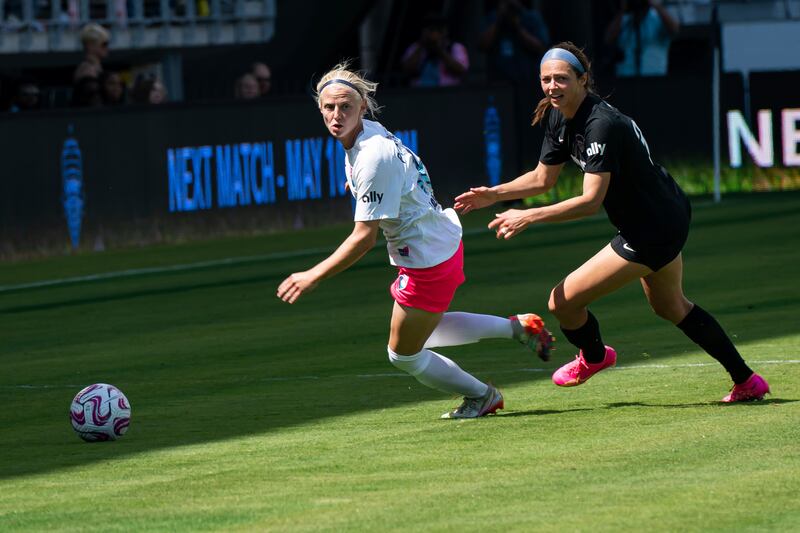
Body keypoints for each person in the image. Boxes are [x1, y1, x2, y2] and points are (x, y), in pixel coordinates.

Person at [454, 42, 770, 403]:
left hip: (652, 226)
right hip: (662, 215)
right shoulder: (559, 114)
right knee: (671, 307)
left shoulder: (601, 125)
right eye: (546, 79)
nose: (552, 86)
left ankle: (595, 356)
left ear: (583, 80)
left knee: (562, 303)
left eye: (561, 78)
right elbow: (543, 179)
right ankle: (747, 381)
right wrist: (493, 194)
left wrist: (529, 214)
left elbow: (590, 201)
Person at [277, 62, 554, 419]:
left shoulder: (372, 155)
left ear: (362, 107)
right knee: (427, 329)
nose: (336, 114)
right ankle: (518, 328)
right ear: (319, 109)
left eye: (345, 106)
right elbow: (396, 174)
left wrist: (312, 275)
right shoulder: (368, 135)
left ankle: (482, 396)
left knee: (403, 354)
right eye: (329, 107)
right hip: (439, 242)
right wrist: (364, 188)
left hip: (426, 257)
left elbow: (363, 239)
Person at [604, 0, 680, 77]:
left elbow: (674, 29)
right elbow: (608, 39)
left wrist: (654, 4)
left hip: (655, 79)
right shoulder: (624, 20)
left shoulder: (657, 19)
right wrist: (623, 9)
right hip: (625, 80)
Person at [400, 13, 469, 87]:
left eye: (438, 29)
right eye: (430, 29)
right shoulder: (416, 47)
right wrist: (422, 45)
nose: (433, 33)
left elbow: (461, 70)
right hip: (417, 93)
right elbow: (407, 69)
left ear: (444, 31)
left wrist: (439, 49)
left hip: (445, 94)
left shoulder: (455, 47)